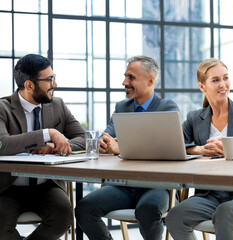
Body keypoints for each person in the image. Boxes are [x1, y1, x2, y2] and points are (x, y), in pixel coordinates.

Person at [75, 55, 179, 240]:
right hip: (123, 186)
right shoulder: (122, 106)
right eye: (125, 76)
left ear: (150, 81)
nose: (124, 82)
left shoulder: (167, 107)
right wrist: (103, 141)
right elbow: (107, 136)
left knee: (148, 211)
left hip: (156, 186)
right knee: (84, 208)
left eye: (131, 77)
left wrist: (119, 147)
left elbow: (164, 148)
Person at [165, 58, 233, 240]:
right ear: (202, 86)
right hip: (210, 195)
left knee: (225, 212)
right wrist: (201, 150)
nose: (223, 85)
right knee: (175, 217)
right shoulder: (195, 118)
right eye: (215, 80)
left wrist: (229, 151)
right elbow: (176, 146)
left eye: (225, 78)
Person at [0, 54, 86, 240]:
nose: (55, 84)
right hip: (9, 187)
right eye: (49, 79)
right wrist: (47, 134)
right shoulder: (2, 108)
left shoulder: (58, 105)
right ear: (29, 85)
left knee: (63, 216)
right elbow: (2, 144)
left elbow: (83, 138)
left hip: (47, 186)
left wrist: (57, 146)